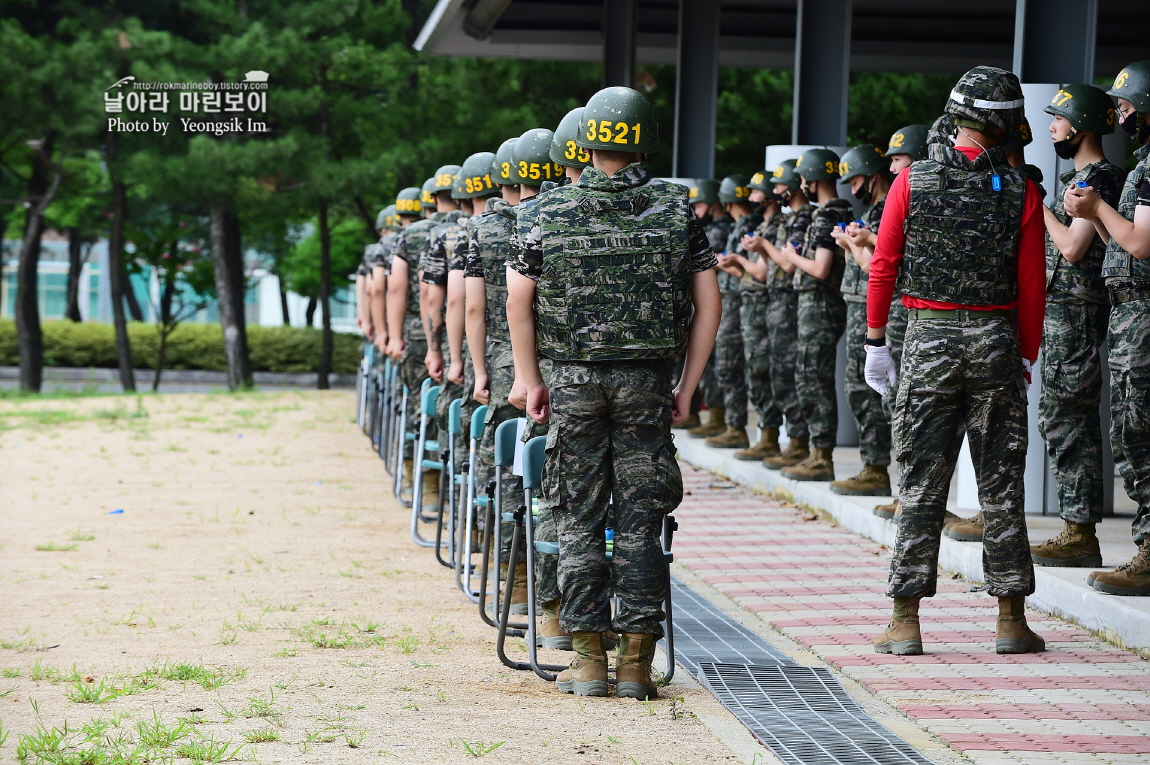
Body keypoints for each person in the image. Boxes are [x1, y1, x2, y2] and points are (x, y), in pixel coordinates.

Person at [506, 86, 721, 699]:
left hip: (572, 382)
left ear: (589, 141)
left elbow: (519, 299)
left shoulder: (545, 213)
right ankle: (636, 660)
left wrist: (529, 376)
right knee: (640, 519)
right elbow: (710, 306)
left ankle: (588, 659)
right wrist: (687, 384)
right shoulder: (677, 210)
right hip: (648, 382)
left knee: (576, 515)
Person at [865, 66, 1046, 655]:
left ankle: (905, 621)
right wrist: (1024, 355)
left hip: (928, 340)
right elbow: (1031, 284)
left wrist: (874, 341)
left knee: (920, 481)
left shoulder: (911, 181)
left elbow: (884, 265)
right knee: (1000, 482)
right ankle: (1011, 621)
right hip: (995, 340)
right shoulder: (1024, 189)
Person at [1026, 85, 1123, 570]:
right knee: (1059, 413)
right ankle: (1075, 526)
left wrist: (1038, 204)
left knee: (1070, 415)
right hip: (1062, 311)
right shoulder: (1080, 176)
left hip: (1078, 312)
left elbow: (1072, 247)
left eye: (1058, 120)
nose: (1051, 128)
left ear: (1079, 125)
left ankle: (1080, 531)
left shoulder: (1100, 178)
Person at [1064, 61, 1150, 595]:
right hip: (1130, 312)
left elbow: (1140, 243)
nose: (1121, 115)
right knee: (1130, 432)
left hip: (1142, 311)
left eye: (1127, 106)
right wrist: (1097, 213)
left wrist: (1095, 205)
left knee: (1139, 433)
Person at [479, 128, 563, 615]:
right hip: (576, 366)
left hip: (512, 362)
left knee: (520, 476)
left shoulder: (501, 225)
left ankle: (520, 584)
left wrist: (480, 367)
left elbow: (464, 306)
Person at [772, 149, 851, 481]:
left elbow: (819, 268)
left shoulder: (825, 216)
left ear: (814, 180)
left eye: (804, 178)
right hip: (817, 305)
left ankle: (821, 456)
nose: (800, 184)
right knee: (809, 376)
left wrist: (792, 255)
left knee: (812, 379)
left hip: (819, 304)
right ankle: (817, 452)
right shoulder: (835, 212)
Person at [387, 170, 458, 494]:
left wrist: (394, 335)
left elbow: (394, 290)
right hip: (468, 337)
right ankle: (454, 494)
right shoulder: (467, 229)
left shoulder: (412, 234)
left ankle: (425, 487)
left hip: (419, 332)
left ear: (430, 200)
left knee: (422, 407)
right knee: (458, 415)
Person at [829, 144, 894, 496]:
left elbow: (872, 264)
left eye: (855, 181)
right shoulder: (874, 211)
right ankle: (873, 466)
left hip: (875, 308)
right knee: (857, 387)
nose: (854, 190)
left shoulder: (888, 210)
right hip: (860, 305)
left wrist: (848, 243)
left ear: (871, 175)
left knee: (869, 389)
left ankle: (876, 467)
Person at [873, 128, 927, 519]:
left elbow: (886, 267)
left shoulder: (915, 192)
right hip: (910, 318)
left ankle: (915, 499)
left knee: (913, 414)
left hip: (915, 318)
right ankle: (906, 493)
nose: (892, 168)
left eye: (897, 159)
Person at [722, 171, 787, 460]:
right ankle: (766, 435)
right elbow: (749, 276)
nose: (750, 199)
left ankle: (771, 436)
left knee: (765, 371)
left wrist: (738, 260)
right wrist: (735, 264)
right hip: (753, 302)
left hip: (764, 305)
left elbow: (760, 273)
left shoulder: (774, 228)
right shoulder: (762, 225)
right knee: (755, 371)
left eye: (756, 193)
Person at [707, 175, 759, 450]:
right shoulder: (742, 224)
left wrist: (717, 261)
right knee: (726, 363)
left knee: (730, 362)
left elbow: (743, 269)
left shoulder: (747, 225)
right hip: (734, 297)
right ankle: (730, 423)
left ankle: (735, 425)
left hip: (740, 299)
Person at [685, 180, 732, 438]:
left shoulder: (719, 229)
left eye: (701, 202)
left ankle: (719, 417)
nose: (698, 208)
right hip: (718, 300)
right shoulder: (707, 228)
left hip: (726, 301)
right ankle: (711, 415)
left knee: (720, 363)